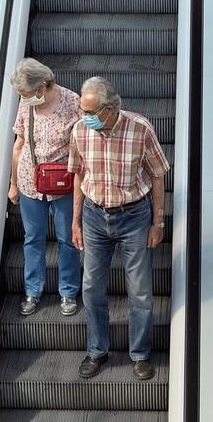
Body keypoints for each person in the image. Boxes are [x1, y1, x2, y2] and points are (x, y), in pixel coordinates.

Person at [68, 76, 170, 380]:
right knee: (91, 287)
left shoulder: (140, 129)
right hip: (94, 216)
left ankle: (139, 354)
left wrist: (158, 221)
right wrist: (75, 221)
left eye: (90, 112)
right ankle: (97, 351)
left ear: (111, 108)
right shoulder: (79, 131)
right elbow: (77, 176)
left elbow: (157, 176)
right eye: (82, 111)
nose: (85, 118)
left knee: (140, 291)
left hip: (134, 216)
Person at [9, 58, 82, 317]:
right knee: (32, 239)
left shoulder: (73, 102)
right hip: (31, 181)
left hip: (62, 182)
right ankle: (33, 291)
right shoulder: (26, 103)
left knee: (67, 239)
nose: (23, 98)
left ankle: (68, 291)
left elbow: (84, 144)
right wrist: (13, 183)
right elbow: (18, 144)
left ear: (41, 86)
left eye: (26, 93)